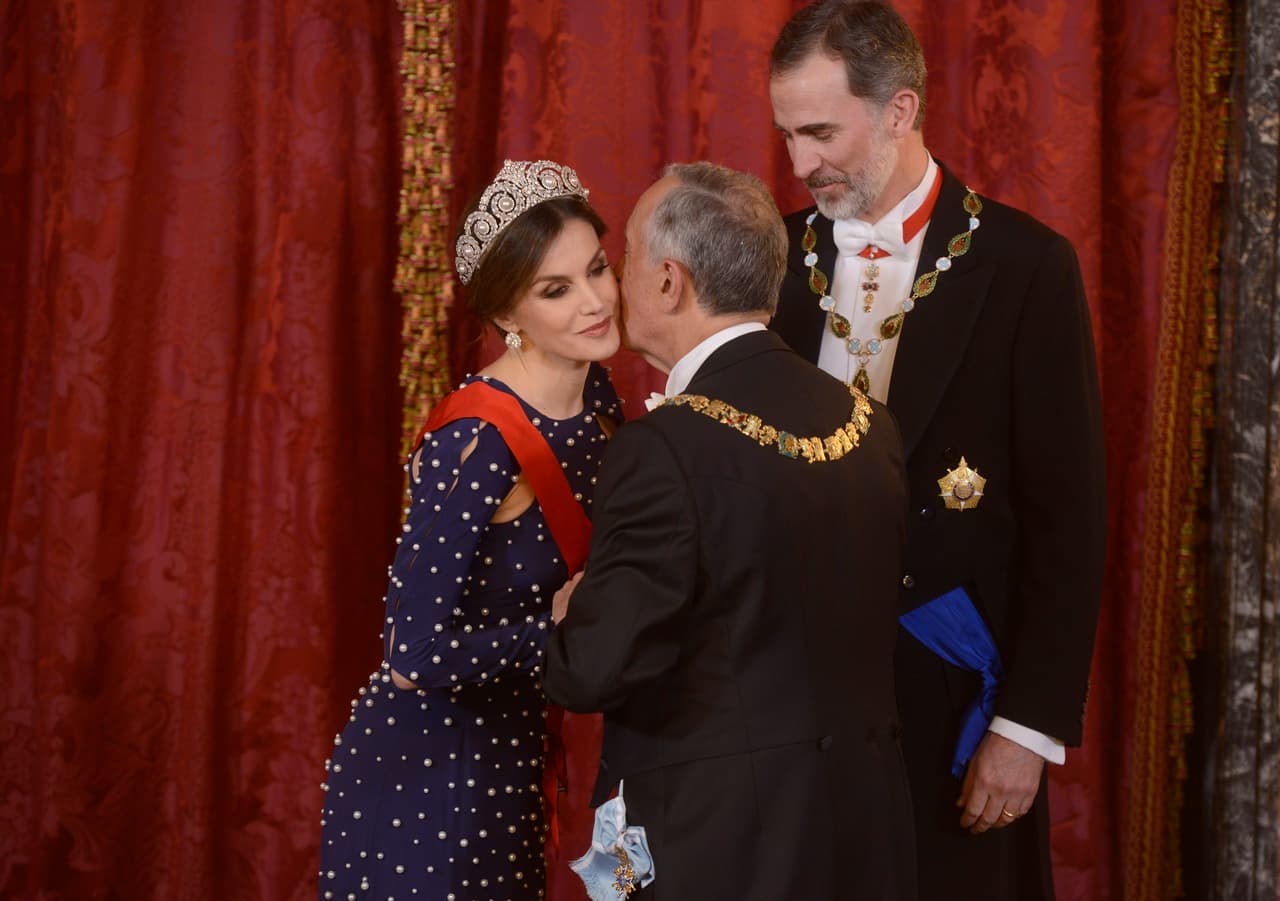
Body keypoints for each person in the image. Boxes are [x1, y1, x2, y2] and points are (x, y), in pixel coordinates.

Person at [767, 3, 1107, 899]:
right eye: (788, 135)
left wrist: (1025, 728)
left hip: (953, 708)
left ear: (900, 110)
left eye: (820, 133)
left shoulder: (1026, 266)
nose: (799, 163)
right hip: (793, 713)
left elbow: (1069, 522)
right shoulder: (770, 257)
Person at [543, 161, 916, 900]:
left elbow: (591, 670)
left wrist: (568, 614)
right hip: (864, 837)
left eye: (626, 258)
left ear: (668, 282)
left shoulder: (661, 447)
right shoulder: (871, 424)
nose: (615, 281)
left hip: (722, 850)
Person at [318, 159, 623, 900]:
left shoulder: (598, 394)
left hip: (516, 754)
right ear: (509, 316)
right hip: (429, 773)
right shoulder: (478, 438)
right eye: (556, 289)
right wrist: (555, 633)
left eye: (597, 269)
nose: (594, 302)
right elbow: (410, 654)